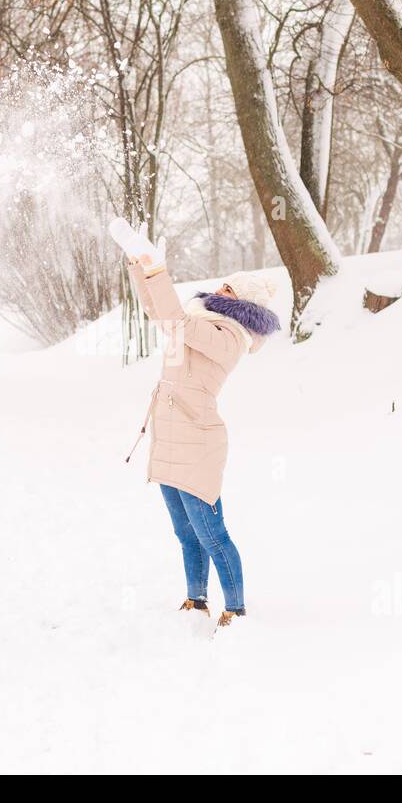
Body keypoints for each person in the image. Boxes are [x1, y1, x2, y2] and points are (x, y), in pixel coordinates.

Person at [114, 221, 280, 629]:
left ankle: (236, 609)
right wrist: (140, 264)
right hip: (171, 436)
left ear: (241, 303)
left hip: (198, 442)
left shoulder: (229, 335)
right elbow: (158, 311)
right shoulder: (195, 320)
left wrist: (157, 270)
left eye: (229, 290)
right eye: (222, 285)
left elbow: (176, 321)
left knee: (212, 533)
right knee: (186, 533)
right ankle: (196, 599)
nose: (219, 291)